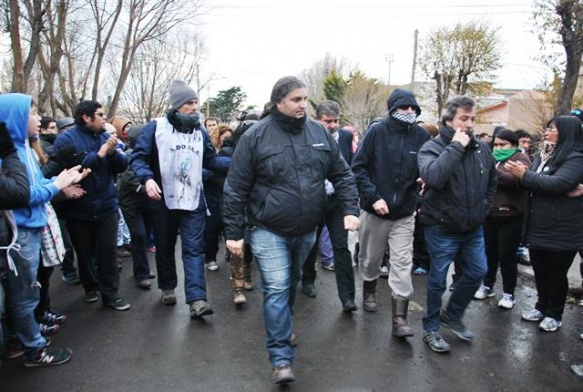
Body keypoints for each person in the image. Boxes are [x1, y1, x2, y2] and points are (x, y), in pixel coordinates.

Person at [223, 76, 359, 384]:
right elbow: (235, 188)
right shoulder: (256, 136)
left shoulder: (319, 133)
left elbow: (342, 174)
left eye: (304, 99)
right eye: (296, 99)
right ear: (278, 102)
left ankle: (282, 325)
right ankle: (281, 357)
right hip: (267, 228)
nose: (302, 105)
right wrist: (234, 232)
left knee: (292, 282)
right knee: (277, 286)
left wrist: (350, 209)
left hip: (307, 229)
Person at [0, 93, 87, 366]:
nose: (39, 118)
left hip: (30, 229)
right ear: (14, 118)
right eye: (33, 113)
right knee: (23, 297)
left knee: (26, 293)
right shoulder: (7, 156)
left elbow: (39, 184)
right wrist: (57, 185)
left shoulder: (23, 148)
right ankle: (34, 351)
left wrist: (65, 180)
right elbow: (23, 195)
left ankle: (18, 341)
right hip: (18, 234)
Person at [131, 80, 230, 319]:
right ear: (177, 106)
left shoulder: (200, 131)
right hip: (163, 199)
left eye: (196, 102)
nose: (195, 107)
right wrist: (147, 179)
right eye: (189, 103)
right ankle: (167, 287)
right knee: (164, 246)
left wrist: (241, 162)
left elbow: (211, 162)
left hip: (193, 200)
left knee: (193, 249)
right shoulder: (156, 128)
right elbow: (137, 158)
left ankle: (197, 300)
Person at [417, 95, 497, 353]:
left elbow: (492, 182)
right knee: (438, 280)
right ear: (448, 120)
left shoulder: (482, 149)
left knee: (477, 271)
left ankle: (452, 314)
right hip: (441, 228)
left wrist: (484, 209)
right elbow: (433, 177)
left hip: (472, 229)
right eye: (464, 118)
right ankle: (431, 329)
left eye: (472, 118)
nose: (470, 124)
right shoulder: (432, 148)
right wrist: (455, 147)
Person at [352, 88, 430, 337]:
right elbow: (359, 168)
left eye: (412, 109)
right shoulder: (377, 131)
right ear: (392, 109)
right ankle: (370, 290)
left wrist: (423, 180)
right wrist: (374, 198)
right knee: (371, 259)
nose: (409, 112)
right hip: (375, 211)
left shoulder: (421, 136)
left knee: (402, 263)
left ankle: (399, 319)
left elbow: (426, 167)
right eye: (403, 108)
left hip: (405, 213)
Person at [506, 115, 583, 332]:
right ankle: (541, 306)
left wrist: (525, 176)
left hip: (563, 228)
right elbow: (535, 183)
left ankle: (554, 313)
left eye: (553, 128)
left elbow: (560, 184)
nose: (547, 132)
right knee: (540, 270)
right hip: (538, 225)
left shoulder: (576, 157)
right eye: (548, 128)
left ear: (567, 133)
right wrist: (518, 176)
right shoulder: (544, 155)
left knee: (556, 274)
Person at [54, 100, 131, 311]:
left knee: (108, 252)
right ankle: (90, 287)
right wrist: (102, 152)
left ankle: (111, 294)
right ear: (87, 117)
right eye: (100, 114)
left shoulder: (107, 137)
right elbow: (79, 166)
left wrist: (113, 152)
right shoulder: (66, 140)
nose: (104, 118)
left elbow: (123, 165)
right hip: (79, 208)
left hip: (106, 205)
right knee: (84, 251)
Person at [300, 100, 358, 312]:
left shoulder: (345, 136)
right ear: (317, 120)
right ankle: (307, 279)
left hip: (336, 201)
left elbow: (350, 168)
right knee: (310, 243)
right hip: (314, 200)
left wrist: (351, 202)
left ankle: (348, 298)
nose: (333, 125)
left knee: (341, 247)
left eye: (336, 121)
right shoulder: (306, 136)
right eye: (328, 121)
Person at [473, 130, 530, 309]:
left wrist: (490, 170)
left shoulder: (520, 159)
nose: (498, 148)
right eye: (496, 145)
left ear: (513, 145)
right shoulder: (494, 159)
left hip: (511, 216)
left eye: (503, 145)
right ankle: (488, 285)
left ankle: (508, 293)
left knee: (507, 256)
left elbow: (514, 180)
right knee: (490, 254)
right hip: (490, 214)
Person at [203, 124, 233, 272]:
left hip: (227, 195)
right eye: (225, 137)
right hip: (211, 196)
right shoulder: (210, 153)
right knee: (211, 231)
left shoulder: (231, 152)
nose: (228, 139)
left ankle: (231, 252)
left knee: (229, 228)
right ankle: (210, 258)